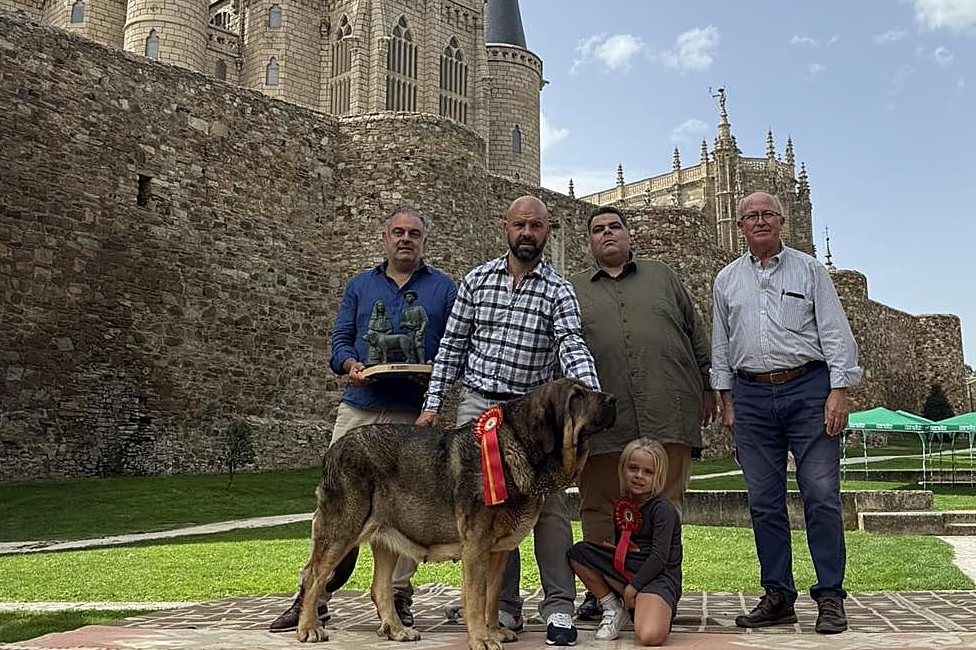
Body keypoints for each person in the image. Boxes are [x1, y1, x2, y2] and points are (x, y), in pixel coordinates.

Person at [417, 195, 599, 647]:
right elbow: (453, 348)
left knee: (548, 509)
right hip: (478, 407)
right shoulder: (476, 281)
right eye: (520, 225)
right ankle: (504, 607)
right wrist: (433, 403)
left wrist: (589, 397)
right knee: (485, 512)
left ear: (548, 232)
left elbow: (570, 344)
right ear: (506, 227)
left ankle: (559, 607)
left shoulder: (558, 290)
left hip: (531, 416)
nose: (527, 233)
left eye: (536, 226)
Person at [269, 206, 458, 634]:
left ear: (424, 240)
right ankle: (313, 595)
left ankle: (397, 595)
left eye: (413, 233)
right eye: (398, 232)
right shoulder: (360, 286)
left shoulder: (444, 289)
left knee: (409, 508)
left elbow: (453, 347)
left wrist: (431, 375)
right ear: (384, 238)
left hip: (413, 414)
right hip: (360, 405)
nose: (405, 239)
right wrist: (350, 363)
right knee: (337, 505)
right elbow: (339, 342)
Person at [711, 191, 861, 635]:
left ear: (782, 221)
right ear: (738, 226)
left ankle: (830, 596)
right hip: (752, 394)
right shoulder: (726, 280)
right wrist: (727, 399)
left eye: (767, 215)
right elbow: (722, 343)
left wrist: (840, 390)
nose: (759, 222)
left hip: (808, 388)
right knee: (764, 502)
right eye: (750, 216)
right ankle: (778, 595)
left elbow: (835, 332)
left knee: (820, 493)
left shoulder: (810, 269)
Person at [568, 206, 715, 622]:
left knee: (665, 503)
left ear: (628, 235)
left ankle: (657, 589)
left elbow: (694, 329)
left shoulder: (662, 276)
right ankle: (603, 593)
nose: (607, 234)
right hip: (602, 420)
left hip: (666, 408)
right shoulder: (573, 288)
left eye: (615, 227)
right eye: (598, 229)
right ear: (589, 241)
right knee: (597, 505)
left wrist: (707, 384)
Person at [567, 438, 682, 645]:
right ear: (622, 470)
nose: (639, 476)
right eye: (633, 468)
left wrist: (633, 588)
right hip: (630, 567)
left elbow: (659, 557)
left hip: (658, 577)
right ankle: (613, 607)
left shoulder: (663, 509)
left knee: (649, 635)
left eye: (648, 472)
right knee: (579, 553)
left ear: (659, 476)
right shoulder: (624, 504)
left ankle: (645, 604)